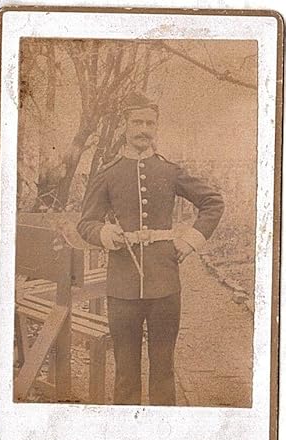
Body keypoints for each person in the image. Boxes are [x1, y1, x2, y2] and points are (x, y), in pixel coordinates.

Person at [77, 92, 224, 406]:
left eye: (150, 123)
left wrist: (190, 241)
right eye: (137, 122)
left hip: (165, 284)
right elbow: (85, 223)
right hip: (121, 286)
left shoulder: (169, 171)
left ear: (156, 127)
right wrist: (104, 231)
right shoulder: (108, 173)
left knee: (163, 370)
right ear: (125, 125)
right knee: (126, 373)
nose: (144, 128)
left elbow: (213, 202)